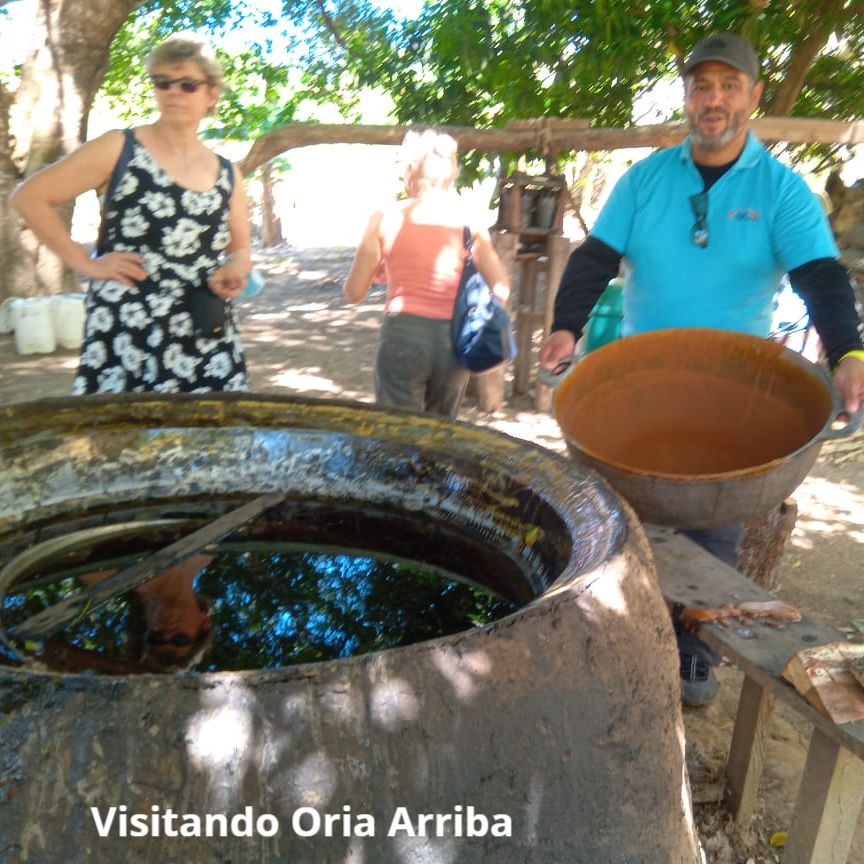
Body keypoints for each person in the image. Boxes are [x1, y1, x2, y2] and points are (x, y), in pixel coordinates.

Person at [538, 32, 864, 705]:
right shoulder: (645, 180)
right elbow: (595, 259)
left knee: (715, 523)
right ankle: (623, 634)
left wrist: (849, 355)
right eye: (701, 86)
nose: (714, 100)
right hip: (639, 383)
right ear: (687, 97)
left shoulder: (782, 191)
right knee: (623, 518)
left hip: (731, 393)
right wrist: (565, 327)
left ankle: (693, 653)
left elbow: (821, 278)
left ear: (753, 96)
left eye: (729, 86)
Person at [10, 33, 251, 394]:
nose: (173, 92)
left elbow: (241, 249)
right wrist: (86, 263)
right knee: (125, 427)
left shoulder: (228, 172)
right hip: (129, 325)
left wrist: (234, 269)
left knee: (214, 426)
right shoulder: (119, 148)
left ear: (211, 93)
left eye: (187, 84)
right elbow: (29, 197)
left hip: (204, 326)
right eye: (162, 82)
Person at [343, 130, 510, 418]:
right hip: (454, 342)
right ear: (452, 174)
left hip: (402, 337)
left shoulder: (384, 217)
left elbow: (354, 293)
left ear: (410, 170)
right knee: (440, 435)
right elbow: (501, 289)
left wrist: (383, 271)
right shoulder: (469, 220)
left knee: (396, 432)